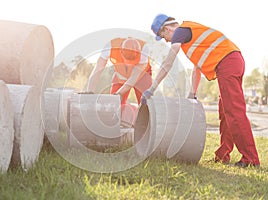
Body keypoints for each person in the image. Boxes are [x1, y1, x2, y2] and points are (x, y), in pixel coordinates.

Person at [141, 14, 260, 167]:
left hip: (228, 62)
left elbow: (168, 63)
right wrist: (192, 94)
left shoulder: (180, 32)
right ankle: (223, 155)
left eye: (163, 36)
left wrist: (152, 88)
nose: (166, 40)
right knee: (225, 111)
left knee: (234, 111)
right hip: (232, 60)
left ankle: (250, 159)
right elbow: (197, 69)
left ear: (167, 28)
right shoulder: (192, 37)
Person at [87, 37, 152, 105]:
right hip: (120, 75)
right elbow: (98, 69)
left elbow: (134, 77)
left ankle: (146, 113)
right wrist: (89, 91)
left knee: (145, 103)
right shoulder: (110, 47)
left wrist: (119, 93)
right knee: (114, 103)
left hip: (142, 75)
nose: (129, 64)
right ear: (120, 51)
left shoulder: (144, 49)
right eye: (126, 60)